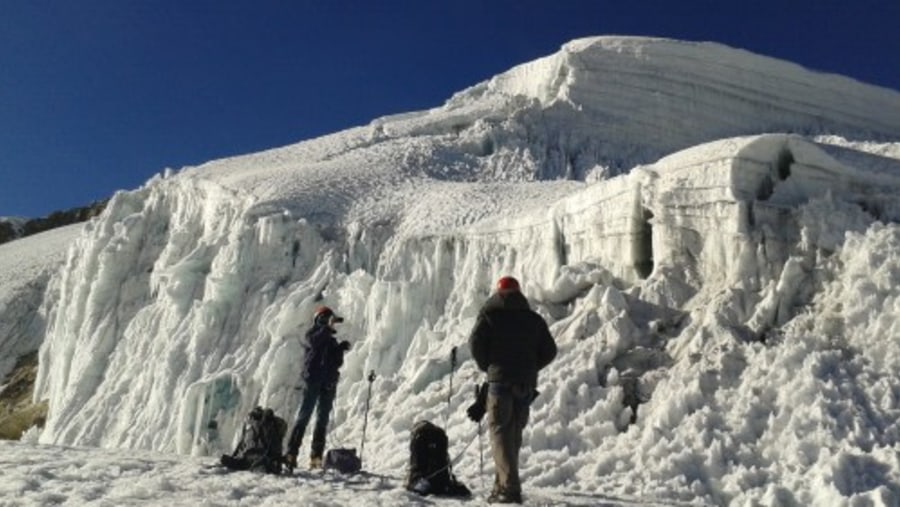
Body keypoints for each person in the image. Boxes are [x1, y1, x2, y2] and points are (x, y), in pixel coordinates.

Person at [468, 276, 557, 504]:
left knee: (500, 435)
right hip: (524, 385)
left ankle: (509, 489)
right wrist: (530, 367)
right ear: (519, 294)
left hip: (499, 384)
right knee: (513, 437)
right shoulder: (534, 320)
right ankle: (502, 485)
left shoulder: (490, 317)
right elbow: (550, 351)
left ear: (499, 294)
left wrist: (489, 366)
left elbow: (475, 344)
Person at [284, 306, 351, 471]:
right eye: (328, 320)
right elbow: (314, 343)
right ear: (319, 319)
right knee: (304, 417)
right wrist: (326, 329)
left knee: (322, 421)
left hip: (327, 384)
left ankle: (316, 457)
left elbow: (337, 364)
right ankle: (291, 454)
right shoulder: (311, 335)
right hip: (313, 382)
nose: (332, 324)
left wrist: (339, 349)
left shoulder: (331, 340)